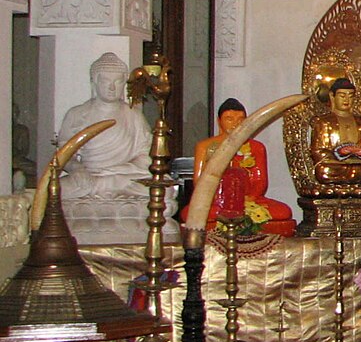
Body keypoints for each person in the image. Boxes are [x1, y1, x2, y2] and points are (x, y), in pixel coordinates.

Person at [55, 52, 158, 243]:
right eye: (106, 81)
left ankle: (105, 205)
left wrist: (118, 172)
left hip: (123, 178)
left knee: (163, 193)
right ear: (94, 82)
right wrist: (77, 170)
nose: (112, 87)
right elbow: (64, 154)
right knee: (54, 191)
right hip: (89, 179)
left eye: (118, 82)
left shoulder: (133, 116)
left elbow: (145, 156)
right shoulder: (78, 114)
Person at [183, 98, 296, 236]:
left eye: (240, 119)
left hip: (247, 201)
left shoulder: (256, 148)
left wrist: (250, 198)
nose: (236, 123)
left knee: (283, 212)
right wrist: (219, 199)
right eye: (229, 119)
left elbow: (260, 182)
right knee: (190, 212)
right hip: (217, 202)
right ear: (219, 121)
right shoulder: (205, 146)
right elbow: (199, 182)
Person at [310, 77, 361, 183]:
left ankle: (357, 175)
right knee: (324, 171)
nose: (346, 100)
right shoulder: (324, 122)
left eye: (350, 96)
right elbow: (317, 151)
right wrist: (340, 159)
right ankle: (357, 177)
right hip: (337, 167)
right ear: (332, 96)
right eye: (342, 96)